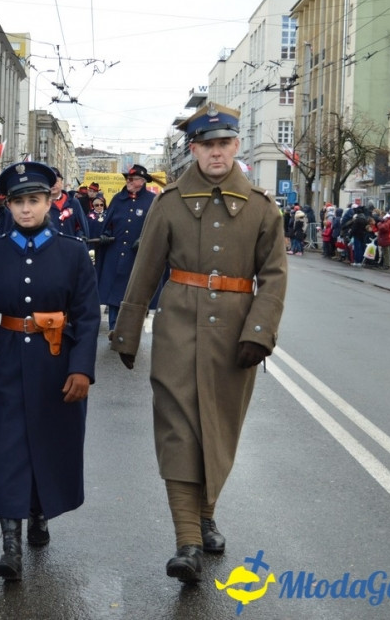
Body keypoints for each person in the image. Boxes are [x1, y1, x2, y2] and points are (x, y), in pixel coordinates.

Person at [110, 103, 287, 584]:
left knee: (219, 430)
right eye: (207, 145)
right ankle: (186, 540)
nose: (215, 152)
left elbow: (273, 277)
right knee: (178, 431)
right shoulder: (168, 203)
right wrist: (127, 332)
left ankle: (206, 514)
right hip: (177, 328)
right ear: (194, 149)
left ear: (236, 147)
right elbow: (145, 267)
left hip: (235, 335)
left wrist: (259, 332)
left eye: (224, 144)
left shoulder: (263, 209)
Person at [0, 161, 100, 582]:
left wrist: (82, 370)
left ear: (50, 201)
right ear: (9, 205)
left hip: (57, 363)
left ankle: (39, 513)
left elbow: (88, 318)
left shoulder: (73, 252)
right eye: (18, 202)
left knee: (49, 446)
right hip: (6, 363)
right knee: (6, 449)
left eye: (34, 200)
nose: (26, 209)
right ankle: (10, 546)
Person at [97, 164, 161, 338]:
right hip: (116, 252)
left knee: (134, 294)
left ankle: (129, 330)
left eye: (132, 179)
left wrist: (145, 239)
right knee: (114, 292)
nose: (129, 182)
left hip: (138, 256)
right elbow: (109, 223)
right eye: (128, 179)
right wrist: (106, 234)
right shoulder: (118, 199)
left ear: (142, 181)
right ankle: (113, 328)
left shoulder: (152, 200)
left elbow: (158, 227)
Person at [47, 167, 87, 239]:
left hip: (71, 247)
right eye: (50, 181)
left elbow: (81, 226)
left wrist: (81, 236)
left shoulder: (73, 203)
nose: (53, 185)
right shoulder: (42, 205)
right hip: (50, 248)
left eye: (56, 181)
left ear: (61, 182)